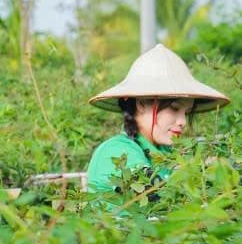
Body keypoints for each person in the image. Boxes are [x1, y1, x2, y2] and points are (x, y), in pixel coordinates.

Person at [86, 43, 228, 194]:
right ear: (141, 104)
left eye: (186, 113)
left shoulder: (166, 152)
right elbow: (154, 193)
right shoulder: (115, 151)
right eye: (174, 108)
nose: (182, 122)